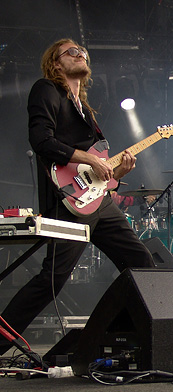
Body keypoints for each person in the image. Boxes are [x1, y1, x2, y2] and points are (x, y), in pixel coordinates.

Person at [0, 39, 155, 355]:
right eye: (71, 51)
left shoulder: (86, 109)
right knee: (52, 280)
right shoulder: (46, 90)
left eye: (83, 51)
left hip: (100, 202)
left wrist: (117, 173)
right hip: (68, 200)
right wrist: (88, 158)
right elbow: (42, 141)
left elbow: (101, 173)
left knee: (142, 262)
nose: (80, 53)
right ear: (56, 63)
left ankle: (122, 338)